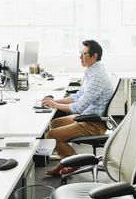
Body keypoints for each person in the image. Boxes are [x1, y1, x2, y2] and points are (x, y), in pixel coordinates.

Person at [42, 39, 113, 176]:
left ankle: (74, 161)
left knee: (51, 135)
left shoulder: (97, 76)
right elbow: (78, 96)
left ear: (94, 56)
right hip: (87, 116)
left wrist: (55, 105)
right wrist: (54, 100)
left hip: (93, 123)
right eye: (80, 53)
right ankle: (66, 159)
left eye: (84, 54)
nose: (80, 57)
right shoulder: (92, 70)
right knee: (54, 123)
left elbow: (78, 107)